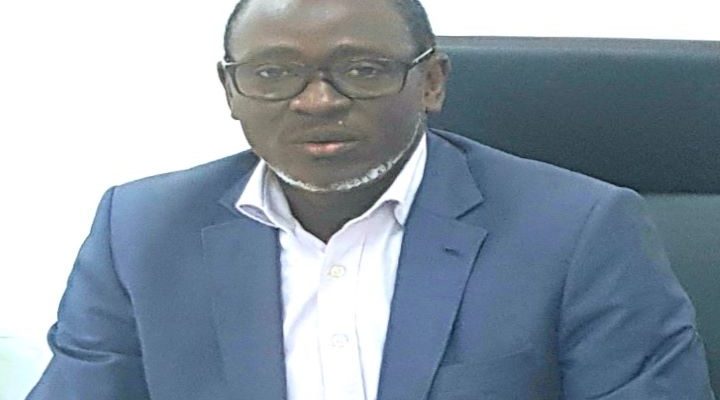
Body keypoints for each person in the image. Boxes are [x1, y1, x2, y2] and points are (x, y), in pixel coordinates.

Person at [28, 0, 715, 398]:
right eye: (273, 73)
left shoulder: (578, 231)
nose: (317, 101)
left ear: (432, 83)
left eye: (362, 69)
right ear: (231, 91)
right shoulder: (140, 232)